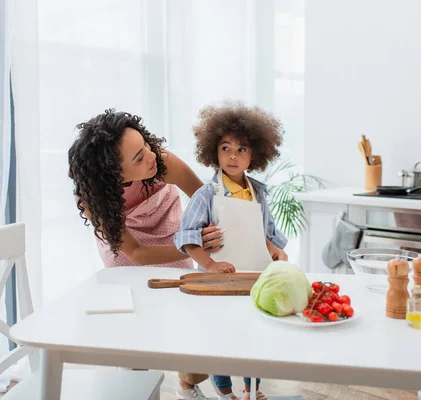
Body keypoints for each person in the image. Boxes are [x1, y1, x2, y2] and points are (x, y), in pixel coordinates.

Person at [68, 109, 221, 399]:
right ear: (112, 173)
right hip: (128, 254)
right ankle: (134, 384)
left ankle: (188, 385)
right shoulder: (92, 196)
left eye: (145, 146)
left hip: (173, 236)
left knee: (189, 319)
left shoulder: (160, 161)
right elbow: (135, 252)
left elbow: (206, 202)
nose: (151, 155)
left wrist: (208, 239)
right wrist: (188, 243)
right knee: (134, 330)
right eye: (138, 157)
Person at [174, 102, 288, 400]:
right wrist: (209, 265)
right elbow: (188, 238)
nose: (233, 156)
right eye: (226, 148)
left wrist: (275, 251)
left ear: (255, 154)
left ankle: (254, 390)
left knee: (255, 337)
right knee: (219, 339)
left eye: (242, 149)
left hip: (254, 276)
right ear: (214, 152)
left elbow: (265, 234)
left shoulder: (259, 192)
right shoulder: (206, 194)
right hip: (218, 283)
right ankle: (226, 394)